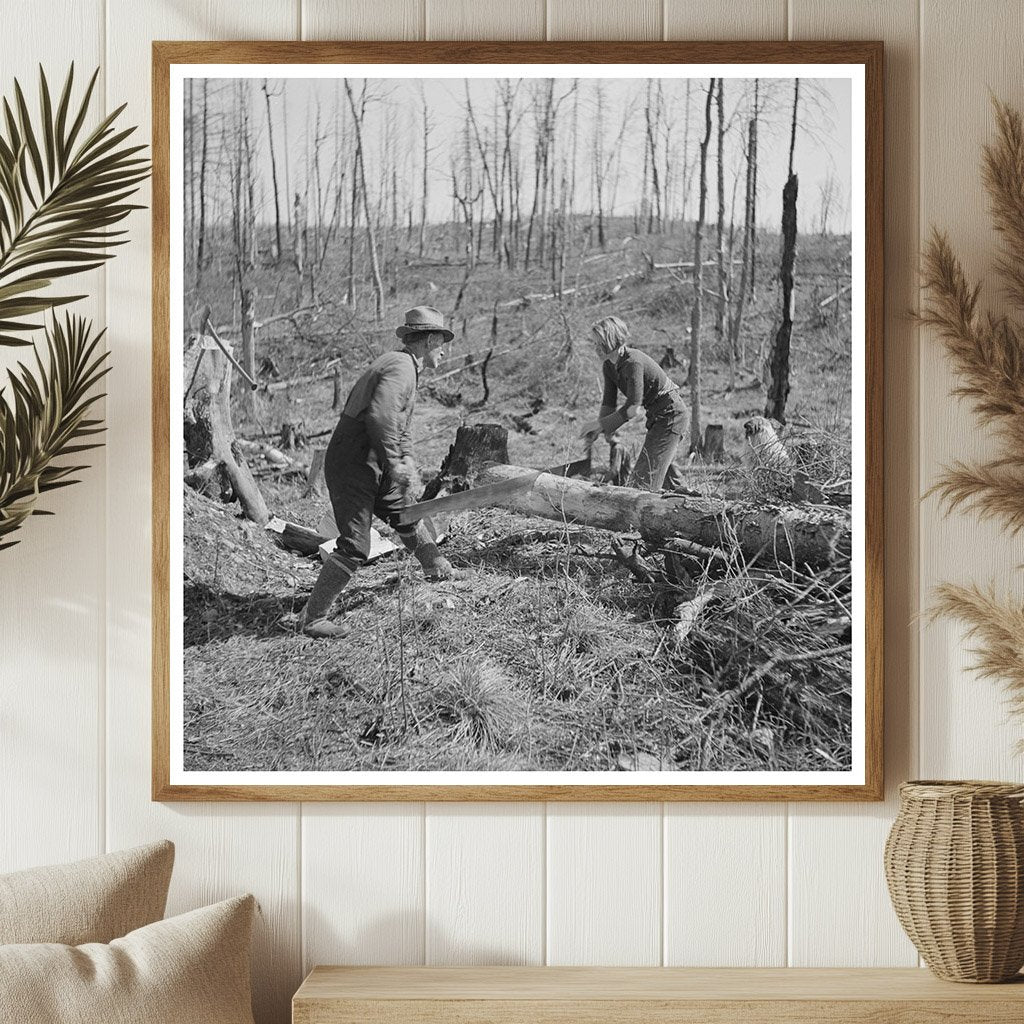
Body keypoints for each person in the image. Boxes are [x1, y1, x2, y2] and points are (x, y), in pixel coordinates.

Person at [301, 306, 462, 639]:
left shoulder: (404, 366)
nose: (444, 350)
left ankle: (433, 564)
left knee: (405, 512)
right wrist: (394, 461)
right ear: (429, 340)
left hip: (372, 459)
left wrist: (407, 459)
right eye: (442, 341)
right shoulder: (401, 367)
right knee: (355, 546)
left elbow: (399, 426)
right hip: (355, 462)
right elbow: (380, 417)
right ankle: (313, 619)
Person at [578, 315, 687, 492]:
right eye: (594, 344)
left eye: (600, 343)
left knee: (641, 486)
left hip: (671, 416)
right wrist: (603, 430)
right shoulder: (609, 366)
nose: (596, 348)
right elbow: (608, 402)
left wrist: (600, 425)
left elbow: (633, 408)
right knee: (670, 483)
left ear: (613, 340)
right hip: (657, 417)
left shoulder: (633, 362)